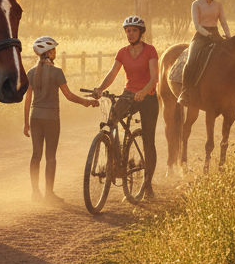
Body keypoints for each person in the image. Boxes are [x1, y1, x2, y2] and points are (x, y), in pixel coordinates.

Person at [22, 36, 99, 206]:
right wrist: (87, 102)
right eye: (54, 49)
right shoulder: (57, 73)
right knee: (50, 157)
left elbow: (27, 100)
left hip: (35, 118)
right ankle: (49, 194)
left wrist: (26, 122)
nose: (55, 52)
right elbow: (69, 96)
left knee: (36, 156)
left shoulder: (31, 73)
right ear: (49, 52)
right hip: (51, 119)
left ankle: (35, 193)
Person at [90, 16, 159, 201]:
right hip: (129, 93)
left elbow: (154, 78)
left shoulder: (150, 50)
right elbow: (112, 73)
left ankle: (148, 184)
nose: (130, 34)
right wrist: (100, 89)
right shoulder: (122, 52)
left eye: (134, 30)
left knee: (149, 141)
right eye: (127, 31)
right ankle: (115, 161)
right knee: (111, 121)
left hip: (148, 97)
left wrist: (144, 92)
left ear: (140, 32)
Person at [178, 0, 230, 106]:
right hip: (201, 36)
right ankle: (185, 91)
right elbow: (196, 25)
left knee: (232, 56)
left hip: (216, 34)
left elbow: (223, 21)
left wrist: (228, 35)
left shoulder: (218, 4)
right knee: (191, 60)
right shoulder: (196, 4)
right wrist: (208, 34)